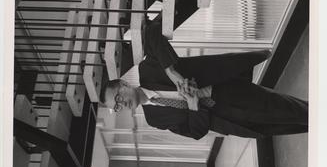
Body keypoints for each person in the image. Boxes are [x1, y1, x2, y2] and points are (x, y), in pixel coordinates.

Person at [100, 21, 308, 140]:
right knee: (287, 125)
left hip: (230, 93)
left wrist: (172, 72)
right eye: (117, 106)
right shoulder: (154, 119)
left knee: (292, 110)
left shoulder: (149, 70)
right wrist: (193, 106)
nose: (122, 104)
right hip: (229, 120)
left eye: (118, 97)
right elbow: (195, 132)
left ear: (124, 84)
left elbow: (151, 29)